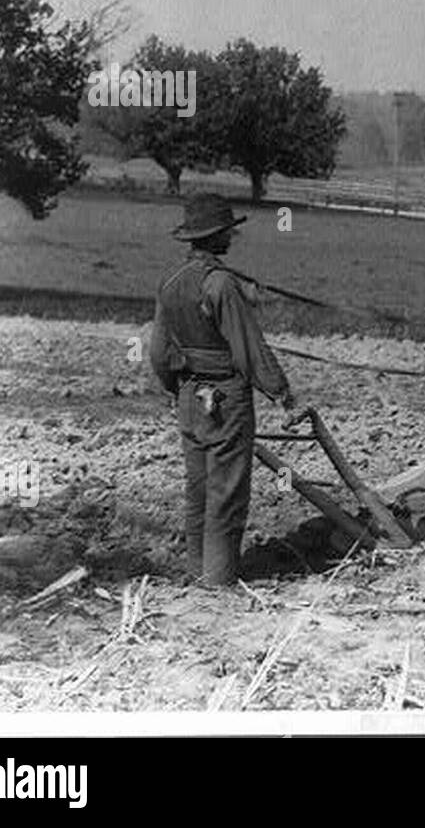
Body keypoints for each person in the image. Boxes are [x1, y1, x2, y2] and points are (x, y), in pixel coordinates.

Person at [149, 193, 299, 586]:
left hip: (188, 398)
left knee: (197, 491)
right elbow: (249, 349)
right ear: (217, 236)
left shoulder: (170, 282)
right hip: (226, 400)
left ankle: (196, 573)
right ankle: (218, 581)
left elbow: (159, 351)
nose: (232, 238)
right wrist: (284, 397)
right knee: (226, 493)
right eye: (228, 231)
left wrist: (176, 391)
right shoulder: (221, 285)